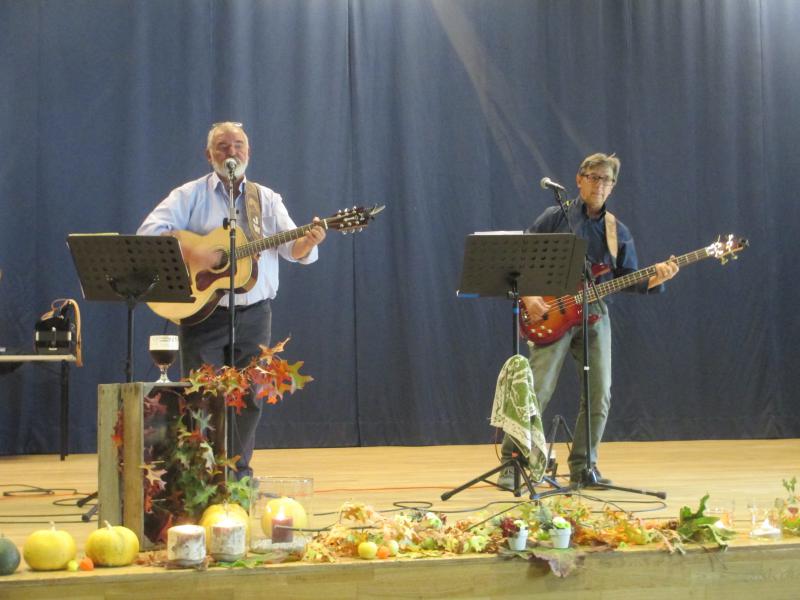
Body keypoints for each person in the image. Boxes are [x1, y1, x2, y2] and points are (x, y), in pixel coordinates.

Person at [137, 121, 326, 479]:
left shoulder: (265, 200)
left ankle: (237, 476)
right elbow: (149, 233)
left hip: (255, 314)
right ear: (209, 155)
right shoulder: (188, 195)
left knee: (249, 398)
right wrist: (196, 251)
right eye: (223, 147)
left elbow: (291, 248)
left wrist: (310, 241)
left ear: (248, 153)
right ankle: (200, 474)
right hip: (202, 314)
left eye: (238, 145)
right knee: (200, 396)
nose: (231, 153)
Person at [498, 153, 679, 489]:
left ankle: (584, 467)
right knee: (537, 387)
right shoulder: (556, 216)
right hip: (553, 310)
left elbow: (629, 278)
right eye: (594, 177)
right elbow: (519, 257)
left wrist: (657, 277)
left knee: (600, 393)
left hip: (595, 315)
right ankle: (514, 461)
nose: (600, 185)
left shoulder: (617, 231)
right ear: (579, 179)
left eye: (606, 180)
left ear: (612, 187)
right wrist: (529, 296)